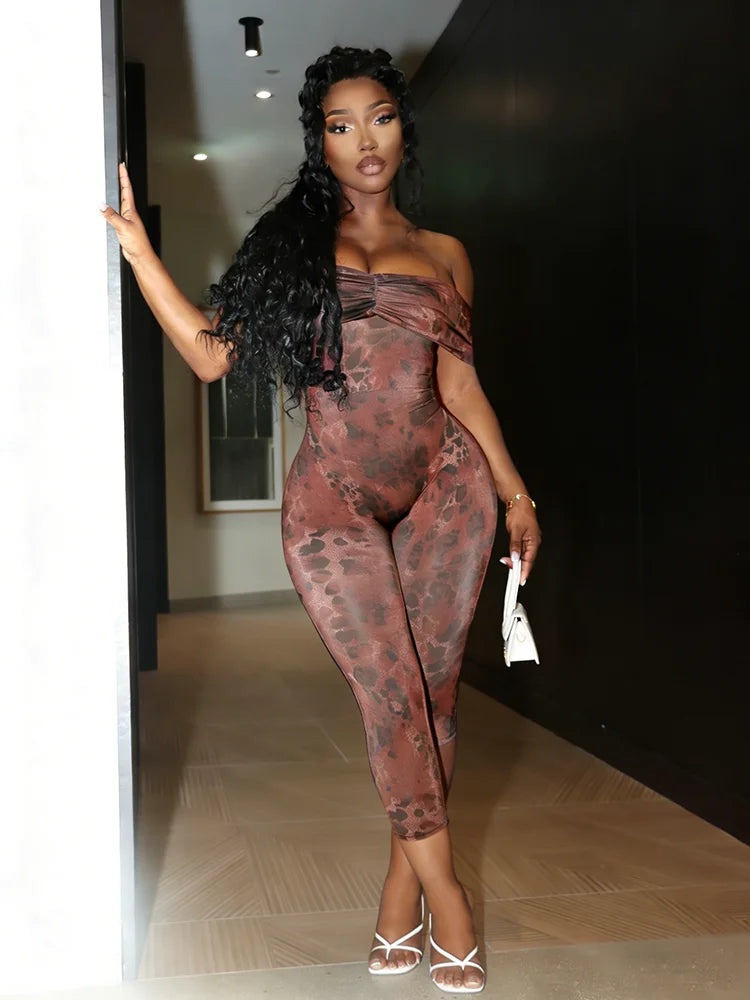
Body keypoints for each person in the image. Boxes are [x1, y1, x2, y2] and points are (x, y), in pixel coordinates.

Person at [101, 44, 541, 996]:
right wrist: (139, 254)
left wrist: (515, 493)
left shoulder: (446, 253)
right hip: (331, 502)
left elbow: (460, 385)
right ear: (321, 144)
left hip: (448, 487)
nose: (364, 141)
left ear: (402, 127)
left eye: (378, 117)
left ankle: (398, 894)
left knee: (433, 700)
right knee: (389, 694)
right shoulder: (293, 245)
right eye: (341, 126)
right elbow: (213, 356)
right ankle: (449, 899)